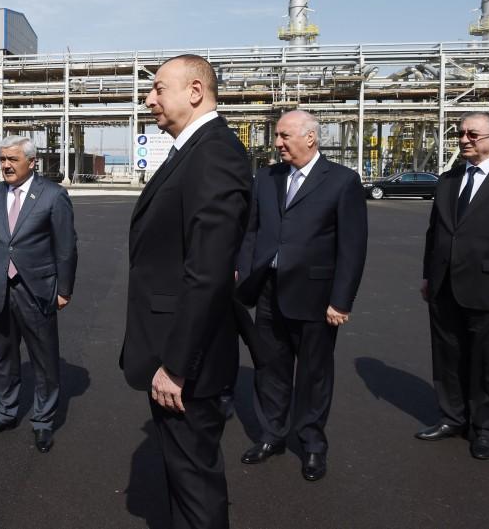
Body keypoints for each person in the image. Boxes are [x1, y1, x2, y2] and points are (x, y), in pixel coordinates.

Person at [121, 54, 251, 529]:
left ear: (195, 91)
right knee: (183, 480)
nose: (148, 98)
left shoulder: (214, 152)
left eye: (158, 88)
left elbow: (209, 271)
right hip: (176, 351)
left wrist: (176, 366)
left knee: (196, 490)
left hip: (185, 364)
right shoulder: (192, 151)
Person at [235, 110, 368, 482]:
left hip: (315, 296)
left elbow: (352, 248)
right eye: (277, 136)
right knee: (270, 370)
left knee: (313, 374)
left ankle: (311, 445)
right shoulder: (265, 177)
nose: (277, 143)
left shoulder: (342, 181)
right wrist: (245, 274)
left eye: (283, 136)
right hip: (268, 291)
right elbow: (251, 232)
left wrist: (341, 300)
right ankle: (272, 435)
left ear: (310, 137)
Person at [0, 136, 77, 453]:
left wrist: (64, 289)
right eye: (3, 159)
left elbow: (66, 247)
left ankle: (43, 423)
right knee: (2, 357)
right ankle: (4, 413)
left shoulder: (53, 195)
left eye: (12, 159)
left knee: (44, 360)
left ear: (32, 162)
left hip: (37, 289)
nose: (6, 165)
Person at [417, 112, 489, 460]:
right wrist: (427, 274)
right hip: (444, 286)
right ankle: (452, 417)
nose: (464, 139)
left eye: (473, 134)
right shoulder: (449, 179)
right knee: (448, 356)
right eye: (460, 133)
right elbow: (434, 232)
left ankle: (485, 429)